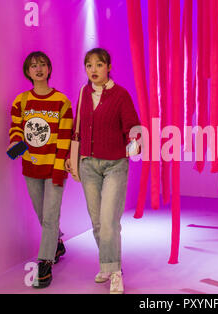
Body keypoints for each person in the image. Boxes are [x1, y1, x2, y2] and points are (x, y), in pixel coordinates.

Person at [65, 48, 140, 294]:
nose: (93, 69)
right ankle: (108, 264)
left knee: (109, 222)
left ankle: (115, 272)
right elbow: (78, 127)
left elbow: (131, 124)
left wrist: (134, 140)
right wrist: (70, 156)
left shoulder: (120, 94)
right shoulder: (84, 93)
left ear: (108, 66)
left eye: (98, 64)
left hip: (115, 164)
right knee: (97, 222)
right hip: (88, 164)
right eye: (89, 65)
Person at [8, 51, 73, 288]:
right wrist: (16, 143)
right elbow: (16, 129)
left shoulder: (62, 102)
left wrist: (59, 170)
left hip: (54, 167)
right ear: (27, 72)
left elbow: (65, 139)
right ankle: (56, 242)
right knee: (43, 214)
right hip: (31, 168)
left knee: (50, 216)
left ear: (49, 69)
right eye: (33, 66)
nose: (38, 69)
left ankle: (44, 264)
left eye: (43, 65)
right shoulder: (21, 101)